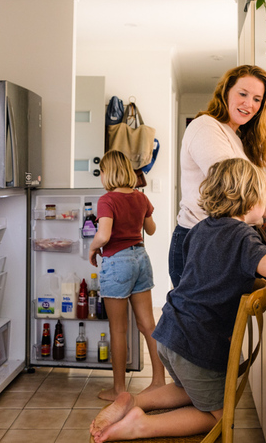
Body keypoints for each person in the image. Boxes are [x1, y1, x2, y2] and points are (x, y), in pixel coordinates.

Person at [91, 158, 266, 442]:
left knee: (187, 389)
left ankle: (135, 402)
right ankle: (140, 425)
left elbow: (223, 261)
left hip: (171, 333)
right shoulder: (242, 235)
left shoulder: (202, 228)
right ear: (250, 200)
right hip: (198, 343)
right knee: (216, 415)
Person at [170, 64, 266, 287]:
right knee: (201, 321)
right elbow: (239, 192)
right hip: (200, 244)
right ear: (226, 91)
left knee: (222, 321)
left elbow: (242, 190)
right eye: (243, 94)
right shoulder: (206, 127)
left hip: (221, 241)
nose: (249, 104)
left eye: (257, 99)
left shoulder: (235, 137)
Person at [88, 150, 165, 402]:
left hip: (117, 262)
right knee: (148, 325)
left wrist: (92, 248)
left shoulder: (106, 200)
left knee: (118, 329)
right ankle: (158, 382)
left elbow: (104, 235)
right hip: (141, 259)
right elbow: (151, 230)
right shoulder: (141, 198)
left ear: (108, 173)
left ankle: (119, 390)